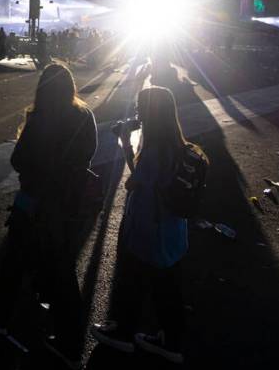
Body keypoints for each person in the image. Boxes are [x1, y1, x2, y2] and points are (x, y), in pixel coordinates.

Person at [0, 63, 97, 367]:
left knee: (16, 261)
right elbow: (89, 153)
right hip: (69, 202)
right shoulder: (85, 115)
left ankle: (0, 317)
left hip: (34, 201)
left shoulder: (41, 118)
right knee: (60, 267)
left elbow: (18, 159)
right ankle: (69, 337)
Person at [91, 85, 204, 364]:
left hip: (147, 232)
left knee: (132, 284)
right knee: (168, 290)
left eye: (142, 109)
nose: (139, 113)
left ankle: (122, 335)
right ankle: (171, 341)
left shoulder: (155, 152)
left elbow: (134, 182)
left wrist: (126, 143)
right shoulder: (181, 148)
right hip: (173, 234)